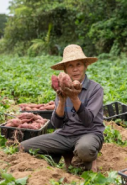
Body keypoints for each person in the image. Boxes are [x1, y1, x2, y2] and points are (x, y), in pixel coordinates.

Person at [20, 44, 104, 172]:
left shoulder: (95, 89)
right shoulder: (62, 87)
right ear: (65, 70)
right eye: (70, 66)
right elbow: (56, 124)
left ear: (85, 66)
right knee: (24, 147)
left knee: (85, 150)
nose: (75, 69)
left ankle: (84, 157)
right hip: (65, 135)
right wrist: (62, 100)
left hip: (89, 134)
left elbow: (88, 121)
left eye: (79, 65)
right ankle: (65, 153)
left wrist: (74, 97)